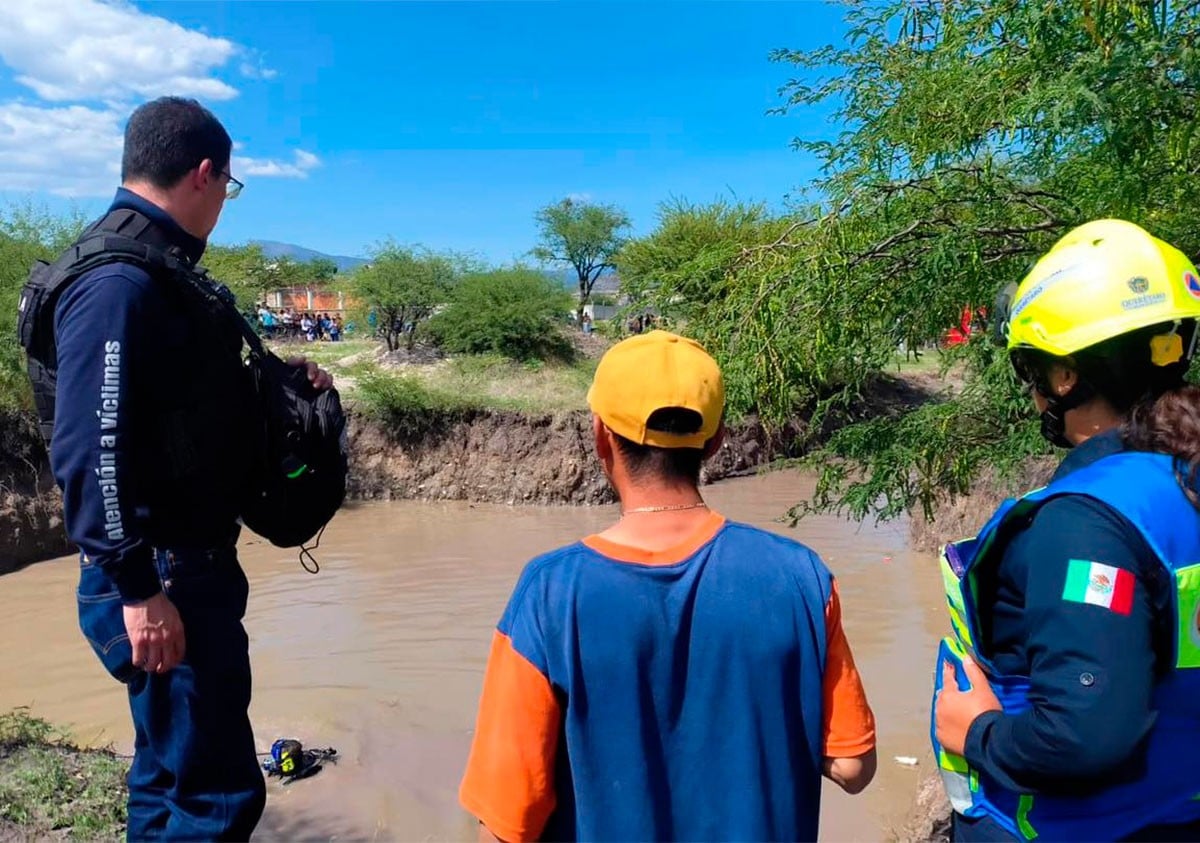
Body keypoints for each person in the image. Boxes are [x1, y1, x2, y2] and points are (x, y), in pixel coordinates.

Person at [459, 330, 877, 842]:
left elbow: (505, 825)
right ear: (717, 441)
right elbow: (853, 767)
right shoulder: (801, 577)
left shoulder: (548, 595)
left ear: (600, 437)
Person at [46, 97, 333, 840]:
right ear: (205, 174)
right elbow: (88, 445)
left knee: (168, 770)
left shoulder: (157, 271)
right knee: (215, 793)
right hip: (163, 575)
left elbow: (170, 407)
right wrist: (137, 590)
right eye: (229, 188)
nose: (223, 206)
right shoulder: (120, 282)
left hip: (178, 564)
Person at [931, 219, 1200, 841]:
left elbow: (1086, 734)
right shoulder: (1180, 477)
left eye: (1033, 371)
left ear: (1064, 377)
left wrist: (975, 731)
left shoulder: (1085, 519)